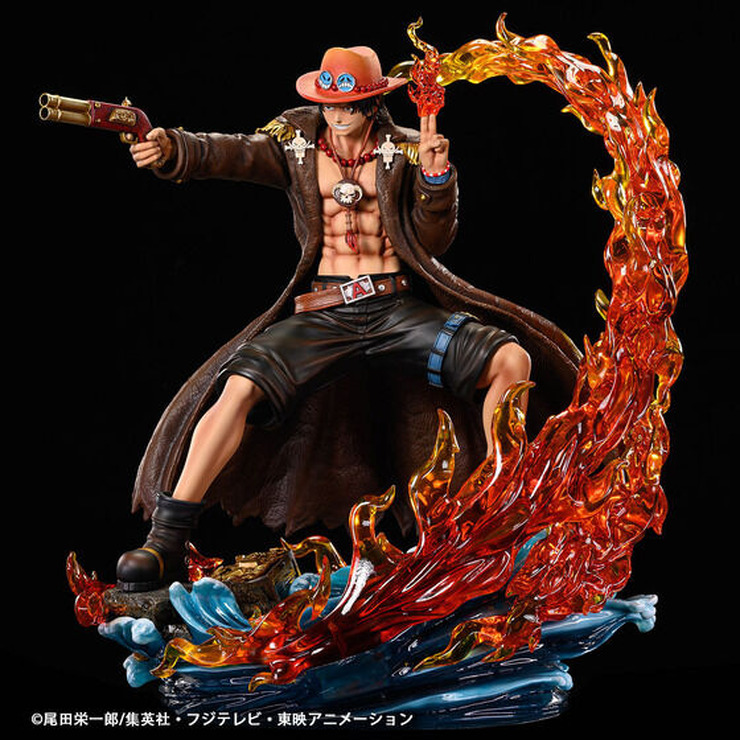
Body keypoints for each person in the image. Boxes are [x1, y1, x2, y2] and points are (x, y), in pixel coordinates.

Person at [116, 46, 581, 593]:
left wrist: (436, 181)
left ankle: (498, 512)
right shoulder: (294, 144)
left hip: (395, 308)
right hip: (324, 311)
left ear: (372, 104)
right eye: (331, 104)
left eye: (351, 105)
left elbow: (433, 242)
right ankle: (165, 542)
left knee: (510, 360)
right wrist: (173, 148)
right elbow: (232, 153)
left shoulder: (405, 149)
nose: (338, 115)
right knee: (238, 386)